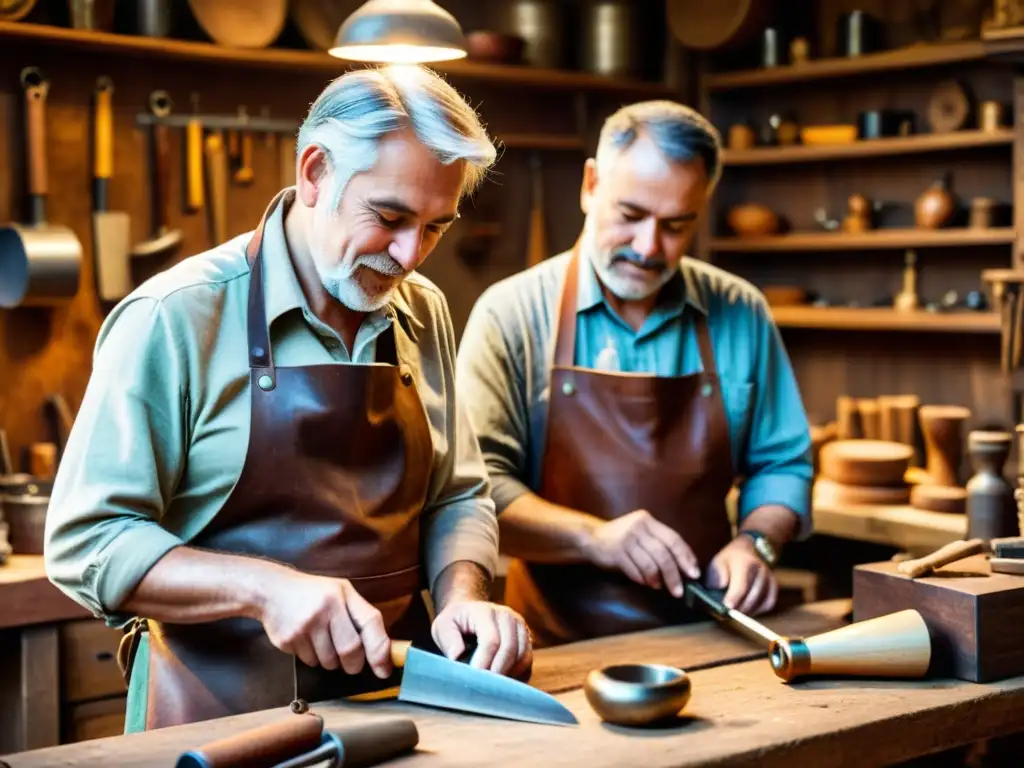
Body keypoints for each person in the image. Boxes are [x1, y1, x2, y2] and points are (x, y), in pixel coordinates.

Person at [43, 64, 532, 732]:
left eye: (436, 226)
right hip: (215, 726)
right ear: (313, 173)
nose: (410, 254)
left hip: (404, 715)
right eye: (389, 217)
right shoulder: (175, 317)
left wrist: (463, 595)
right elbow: (86, 542)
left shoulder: (424, 311)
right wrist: (263, 588)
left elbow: (458, 495)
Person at [456, 100, 813, 647]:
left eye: (676, 225)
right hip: (554, 645)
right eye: (631, 215)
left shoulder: (740, 312)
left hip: (708, 634)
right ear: (591, 184)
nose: (649, 248)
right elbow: (478, 492)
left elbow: (782, 463)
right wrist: (593, 538)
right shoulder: (511, 314)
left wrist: (756, 543)